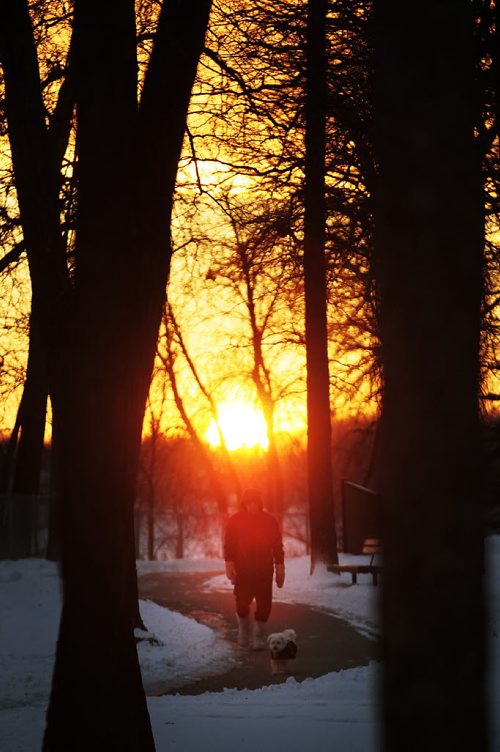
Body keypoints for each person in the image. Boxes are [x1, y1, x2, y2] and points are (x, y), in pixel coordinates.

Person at [224, 487, 285, 649]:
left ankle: (259, 634)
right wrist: (229, 563)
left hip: (264, 570)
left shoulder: (269, 521)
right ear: (244, 504)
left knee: (264, 605)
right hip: (243, 570)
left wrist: (280, 566)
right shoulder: (235, 520)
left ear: (260, 503)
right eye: (249, 503)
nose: (252, 506)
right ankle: (244, 628)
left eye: (255, 503)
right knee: (242, 603)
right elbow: (229, 544)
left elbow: (277, 545)